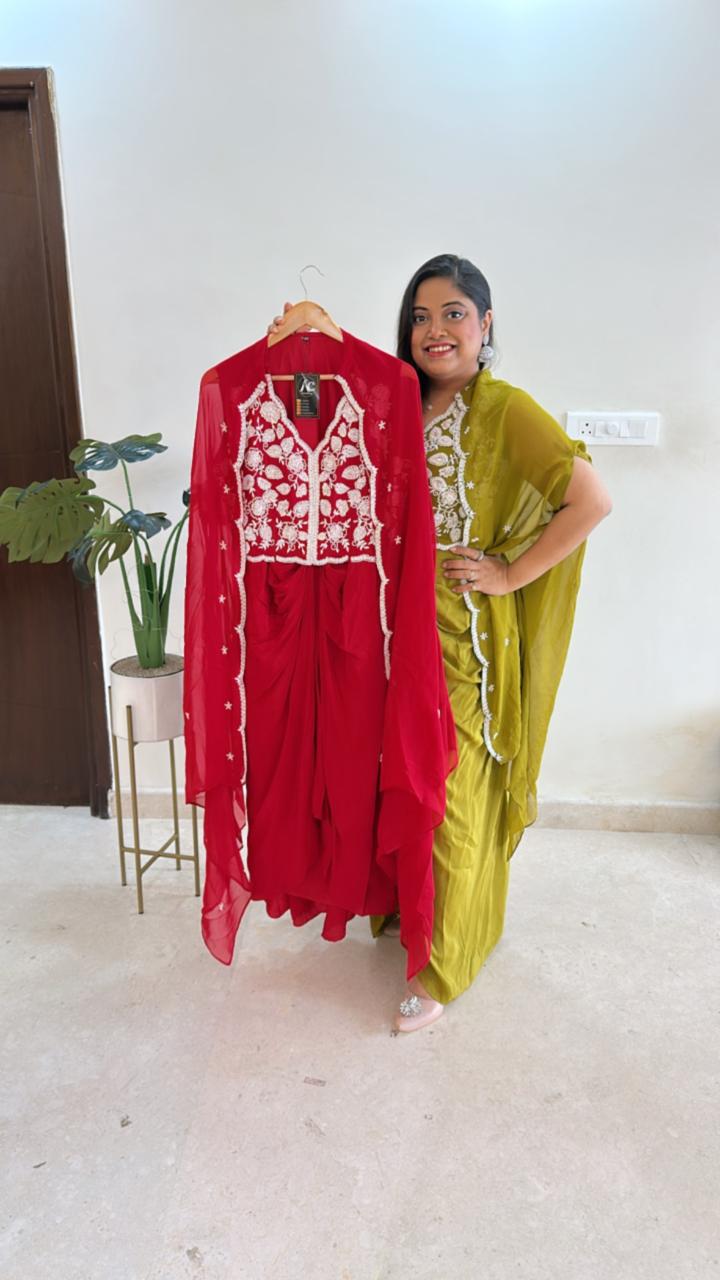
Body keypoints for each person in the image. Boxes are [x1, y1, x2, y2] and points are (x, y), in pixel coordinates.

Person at [269, 254, 612, 1033]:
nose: (435, 330)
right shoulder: (393, 401)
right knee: (391, 780)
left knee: (448, 793)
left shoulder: (503, 410)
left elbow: (590, 498)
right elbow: (312, 416)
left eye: (455, 313)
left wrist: (508, 572)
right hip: (382, 634)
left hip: (459, 641)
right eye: (421, 316)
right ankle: (407, 913)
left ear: (486, 326)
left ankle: (446, 959)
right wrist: (307, 334)